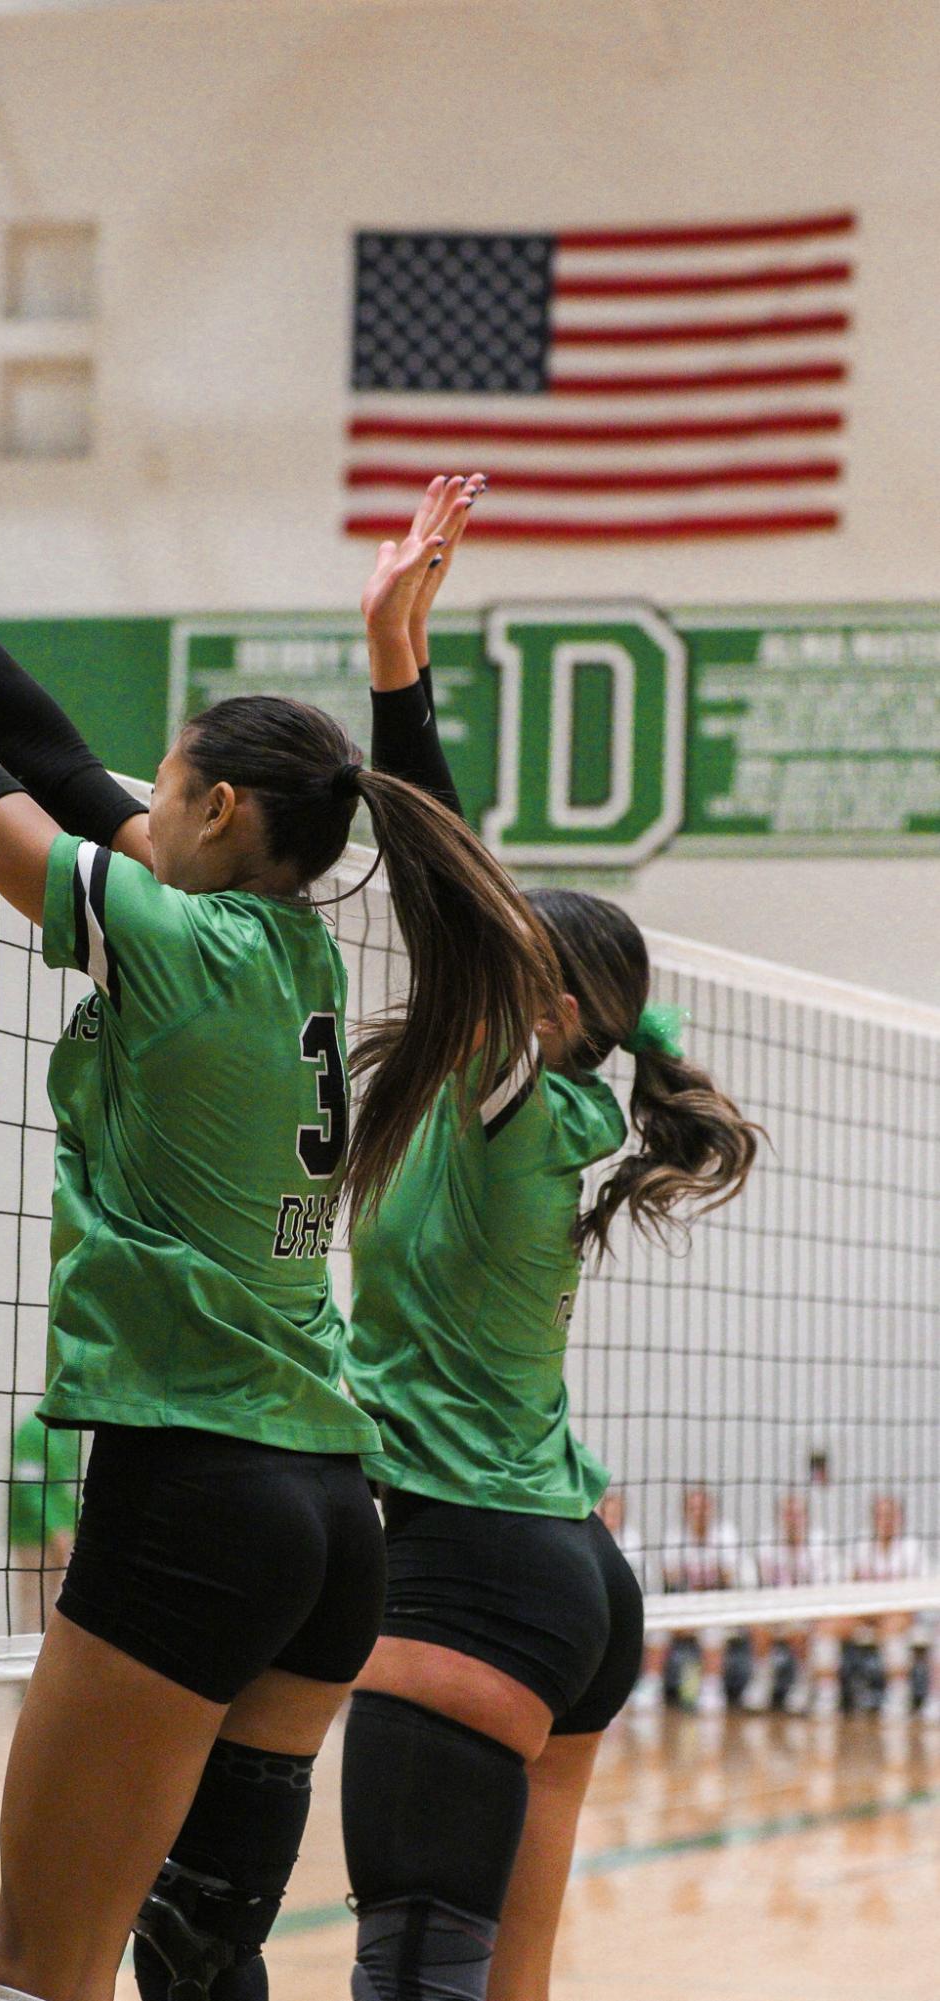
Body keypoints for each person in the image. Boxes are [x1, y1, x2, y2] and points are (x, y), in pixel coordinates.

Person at [0, 375, 564, 2001]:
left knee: (44, 1967)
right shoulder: (282, 938)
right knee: (194, 1957)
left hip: (194, 1497)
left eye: (161, 787)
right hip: (326, 1517)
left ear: (217, 812)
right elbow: (44, 753)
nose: (131, 799)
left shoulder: (161, 938)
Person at [339, 475, 761, 2001]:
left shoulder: (513, 1098)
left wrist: (400, 669)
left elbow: (438, 873)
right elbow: (563, 976)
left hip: (470, 1568)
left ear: (546, 1009)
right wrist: (629, 1003)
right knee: (494, 1983)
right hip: (572, 1571)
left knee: (410, 1976)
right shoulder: (565, 1107)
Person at [636, 1484, 751, 1717]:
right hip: (685, 1608)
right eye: (693, 1508)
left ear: (711, 1509)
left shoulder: (725, 1534)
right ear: (686, 1511)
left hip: (719, 1609)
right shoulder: (675, 1536)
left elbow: (728, 1580)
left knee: (712, 1630)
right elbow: (672, 1580)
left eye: (703, 1507)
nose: (698, 1512)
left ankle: (711, 1688)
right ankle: (651, 1684)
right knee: (659, 1628)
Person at [742, 1490, 837, 1715]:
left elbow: (827, 1588)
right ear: (779, 1517)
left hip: (809, 1611)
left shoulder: (820, 1544)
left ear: (806, 1517)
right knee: (757, 1624)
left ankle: (803, 1684)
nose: (792, 1519)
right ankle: (762, 1681)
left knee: (804, 1629)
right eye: (787, 1514)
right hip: (774, 1610)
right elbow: (756, 1584)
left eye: (797, 1514)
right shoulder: (767, 1544)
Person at [841, 1494, 929, 1722]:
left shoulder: (912, 1547)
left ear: (900, 1518)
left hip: (903, 1613)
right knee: (827, 1625)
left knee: (892, 1624)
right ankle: (824, 1693)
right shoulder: (861, 1545)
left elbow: (920, 1595)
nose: (885, 1520)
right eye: (880, 1515)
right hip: (865, 1612)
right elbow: (849, 1587)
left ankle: (898, 1694)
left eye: (890, 1515)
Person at [8, 1412, 82, 1633]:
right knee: (35, 1604)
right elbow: (29, 1487)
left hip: (65, 1534)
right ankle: (31, 1663)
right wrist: (55, 1528)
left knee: (54, 1605)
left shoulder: (69, 1432)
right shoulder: (33, 1430)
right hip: (35, 1536)